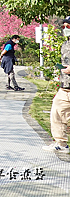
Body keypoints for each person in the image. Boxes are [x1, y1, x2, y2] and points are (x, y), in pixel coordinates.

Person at [43, 17, 70, 153]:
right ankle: (61, 144)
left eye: (68, 26)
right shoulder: (65, 44)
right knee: (56, 113)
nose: (66, 29)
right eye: (64, 27)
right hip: (65, 87)